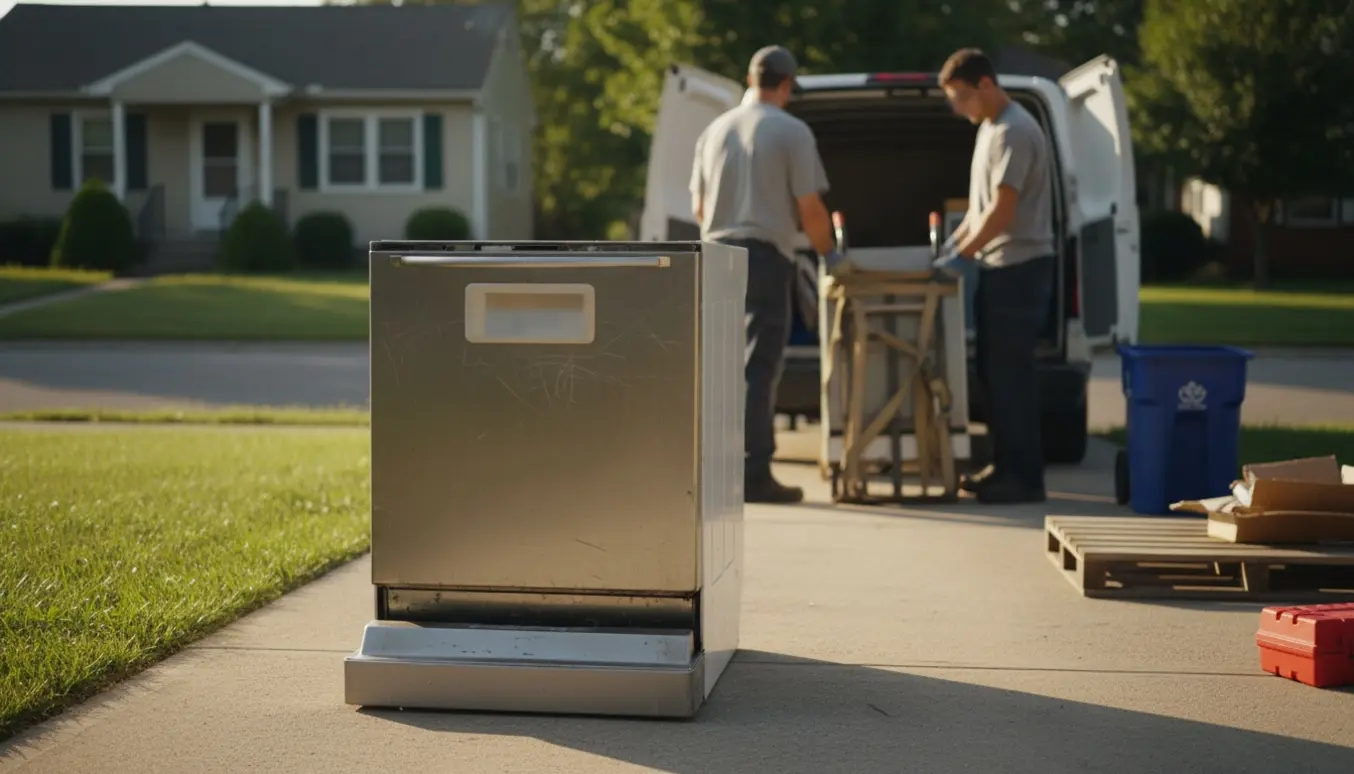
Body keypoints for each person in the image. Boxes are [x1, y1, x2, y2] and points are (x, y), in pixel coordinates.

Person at [690, 44, 843, 504]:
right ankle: (753, 473)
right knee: (757, 368)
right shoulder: (791, 131)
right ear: (787, 85)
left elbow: (699, 208)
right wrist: (832, 258)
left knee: (719, 367)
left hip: (714, 256)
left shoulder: (714, 131)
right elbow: (810, 209)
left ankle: (714, 472)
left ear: (750, 78)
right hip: (763, 255)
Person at [935, 48, 1056, 504]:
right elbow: (979, 209)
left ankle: (1024, 479)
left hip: (1020, 269)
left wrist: (962, 256)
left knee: (1011, 377)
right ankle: (1004, 466)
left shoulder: (1014, 132)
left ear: (985, 84)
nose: (958, 108)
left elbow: (1002, 211)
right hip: (998, 267)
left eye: (961, 97)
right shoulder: (989, 129)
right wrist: (952, 248)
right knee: (993, 372)